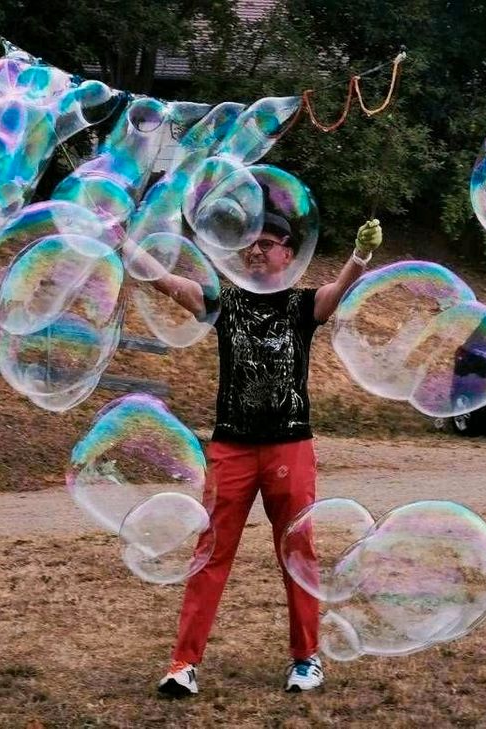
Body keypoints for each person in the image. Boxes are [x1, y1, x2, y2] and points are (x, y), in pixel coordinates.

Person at [132, 212, 382, 696]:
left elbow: (336, 296)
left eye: (266, 243)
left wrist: (361, 257)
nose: (255, 251)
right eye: (250, 244)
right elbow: (166, 282)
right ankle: (183, 664)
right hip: (231, 448)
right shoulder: (226, 303)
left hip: (291, 446)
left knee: (298, 552)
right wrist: (124, 242)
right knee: (209, 554)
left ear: (288, 253)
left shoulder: (300, 305)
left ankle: (306, 660)